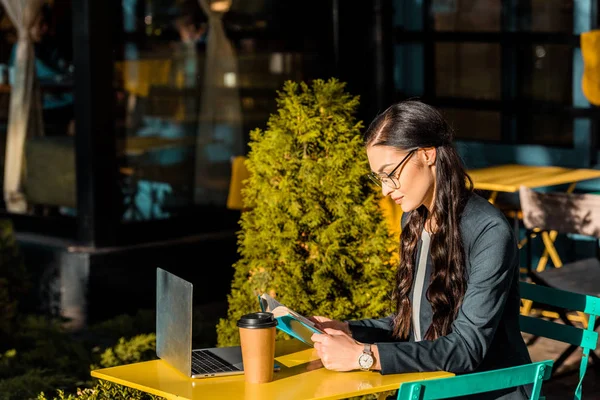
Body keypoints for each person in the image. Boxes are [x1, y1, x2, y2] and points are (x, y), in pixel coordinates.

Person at [310, 100, 532, 399]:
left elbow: (467, 349)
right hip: (435, 385)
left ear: (428, 154)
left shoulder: (488, 231)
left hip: (485, 391)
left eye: (390, 173)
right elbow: (417, 321)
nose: (385, 190)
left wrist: (365, 356)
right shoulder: (415, 220)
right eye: (378, 178)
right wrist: (349, 329)